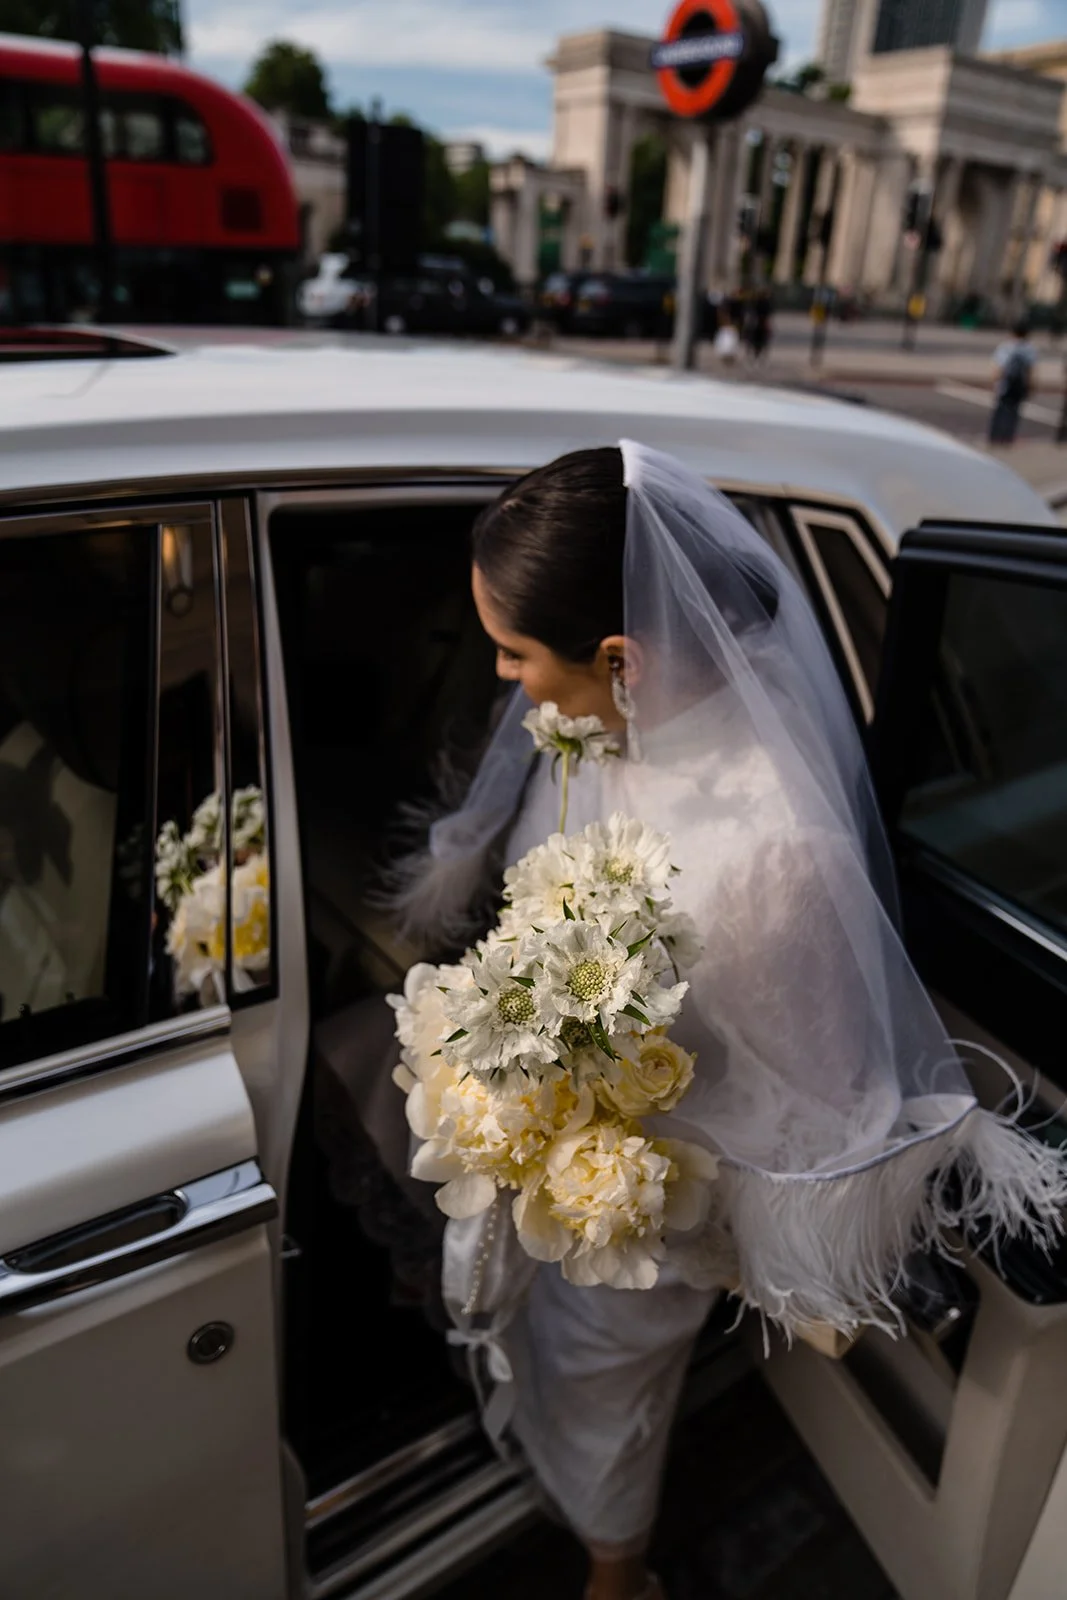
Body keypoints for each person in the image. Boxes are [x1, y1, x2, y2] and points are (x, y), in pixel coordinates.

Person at [389, 444, 1067, 1600]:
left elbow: (798, 1082)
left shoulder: (777, 856)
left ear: (619, 657)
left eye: (514, 652)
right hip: (564, 1140)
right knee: (558, 1353)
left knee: (606, 1378)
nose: (507, 684)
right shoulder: (596, 727)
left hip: (644, 1193)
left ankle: (617, 1569)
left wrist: (598, 1134)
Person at [989, 319, 1037, 445]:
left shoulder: (1006, 347)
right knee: (1014, 412)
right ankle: (1008, 437)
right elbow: (1031, 370)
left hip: (1005, 384)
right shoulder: (1030, 349)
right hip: (1019, 385)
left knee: (1000, 411)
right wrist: (1031, 386)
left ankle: (995, 436)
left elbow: (999, 367)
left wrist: (994, 381)